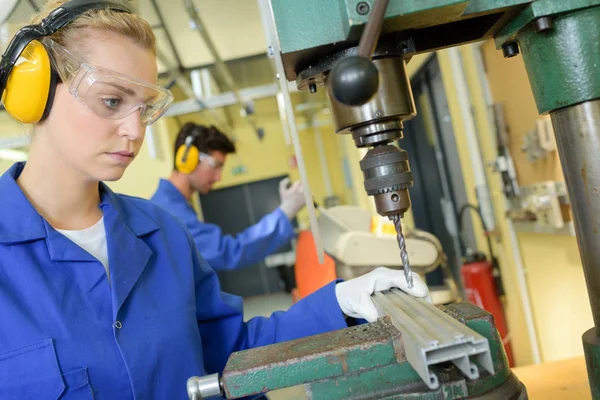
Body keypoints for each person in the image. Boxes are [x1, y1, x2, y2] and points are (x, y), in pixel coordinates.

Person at [0, 1, 429, 399]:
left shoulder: (163, 234)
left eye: (145, 108)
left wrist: (338, 304)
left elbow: (233, 356)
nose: (135, 130)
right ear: (34, 92)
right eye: (112, 100)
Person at [150, 122, 305, 272]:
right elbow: (228, 252)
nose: (219, 178)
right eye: (215, 166)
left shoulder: (172, 204)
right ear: (187, 158)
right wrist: (284, 213)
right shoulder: (169, 212)